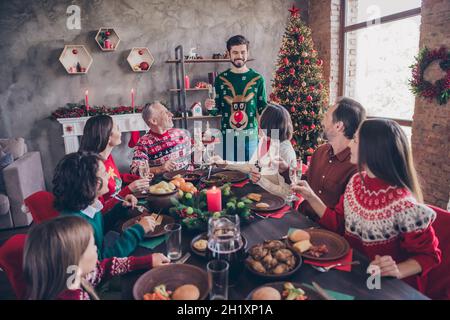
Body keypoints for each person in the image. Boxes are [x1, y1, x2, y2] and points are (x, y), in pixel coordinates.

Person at [292, 119, 441, 287]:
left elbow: (429, 256)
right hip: (353, 274)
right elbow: (338, 223)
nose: (350, 146)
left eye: (355, 140)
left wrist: (396, 269)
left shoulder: (404, 205)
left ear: (372, 151)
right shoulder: (356, 181)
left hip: (384, 286)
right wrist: (311, 196)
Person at [23, 216, 170, 300]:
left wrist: (147, 260)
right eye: (92, 246)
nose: (96, 249)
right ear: (74, 260)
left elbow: (103, 268)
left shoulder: (71, 276)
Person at [53, 151, 156, 259]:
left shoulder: (88, 206)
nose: (108, 176)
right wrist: (137, 231)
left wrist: (120, 208)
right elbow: (102, 262)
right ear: (94, 184)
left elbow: (100, 227)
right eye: (104, 173)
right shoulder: (75, 227)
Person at [299, 97, 366, 220]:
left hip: (327, 234)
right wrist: (286, 170)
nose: (322, 121)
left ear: (338, 126)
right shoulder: (320, 151)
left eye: (326, 117)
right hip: (301, 218)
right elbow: (304, 183)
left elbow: (342, 222)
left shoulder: (357, 168)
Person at [211, 103, 296, 198]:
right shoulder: (266, 141)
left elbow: (288, 194)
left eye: (263, 128)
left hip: (275, 201)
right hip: (259, 190)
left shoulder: (285, 152)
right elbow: (251, 166)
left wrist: (261, 180)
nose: (261, 130)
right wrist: (225, 163)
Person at [205, 35, 267, 162]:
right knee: (230, 174)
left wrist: (263, 133)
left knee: (251, 173)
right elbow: (217, 109)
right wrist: (209, 107)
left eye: (243, 52)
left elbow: (262, 108)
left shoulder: (257, 79)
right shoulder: (221, 79)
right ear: (228, 54)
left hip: (251, 138)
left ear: (247, 53)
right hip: (228, 138)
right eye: (235, 52)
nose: (239, 55)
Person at [79, 115, 151, 205]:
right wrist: (129, 189)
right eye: (117, 128)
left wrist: (137, 178)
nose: (120, 132)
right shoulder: (93, 167)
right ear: (108, 136)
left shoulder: (108, 157)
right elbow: (100, 210)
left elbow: (115, 178)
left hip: (121, 204)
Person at [131, 102, 191, 175]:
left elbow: (194, 153)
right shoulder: (143, 143)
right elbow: (134, 171)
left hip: (189, 179)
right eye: (165, 113)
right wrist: (159, 169)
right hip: (163, 184)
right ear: (154, 121)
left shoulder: (180, 133)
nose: (171, 115)